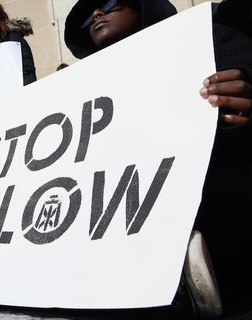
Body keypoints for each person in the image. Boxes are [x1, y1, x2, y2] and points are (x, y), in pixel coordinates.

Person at [64, 0, 252, 317]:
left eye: (108, 4)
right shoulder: (77, 90)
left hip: (224, 233)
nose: (96, 15)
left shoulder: (208, 38)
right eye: (87, 18)